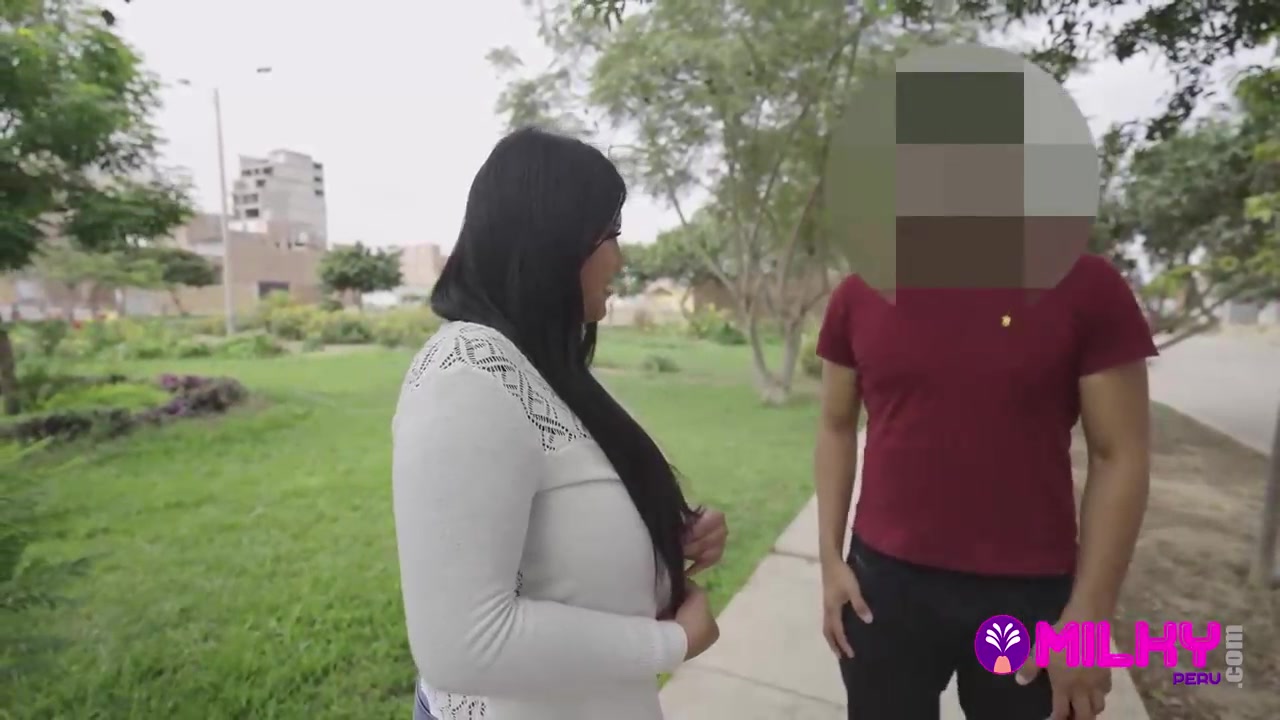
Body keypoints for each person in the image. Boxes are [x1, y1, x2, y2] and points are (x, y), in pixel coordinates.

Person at [391, 127, 727, 720]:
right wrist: (672, 642)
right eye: (610, 234)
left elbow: (564, 535)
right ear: (553, 239)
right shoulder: (466, 371)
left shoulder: (549, 370)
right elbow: (462, 646)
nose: (620, 260)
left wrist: (663, 540)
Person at [813, 249, 1157, 720]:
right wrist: (830, 561)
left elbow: (1119, 455)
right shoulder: (861, 292)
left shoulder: (1087, 286)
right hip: (883, 590)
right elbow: (835, 426)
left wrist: (1089, 617)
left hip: (1029, 598)